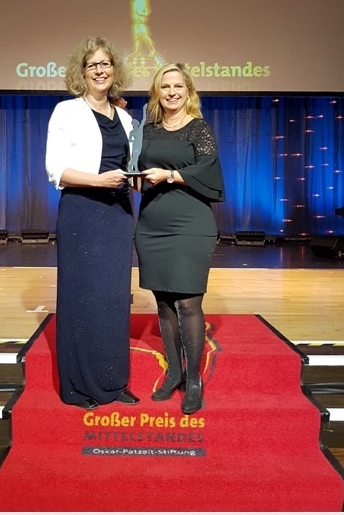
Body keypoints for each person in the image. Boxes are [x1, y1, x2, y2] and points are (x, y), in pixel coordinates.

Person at [45, 36, 140, 410]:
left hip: (118, 214)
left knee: (113, 300)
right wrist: (98, 181)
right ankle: (79, 388)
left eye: (106, 64)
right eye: (92, 65)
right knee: (82, 299)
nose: (100, 70)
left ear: (115, 70)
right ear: (81, 72)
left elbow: (131, 167)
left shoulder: (127, 118)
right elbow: (56, 170)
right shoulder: (67, 111)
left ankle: (112, 382)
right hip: (82, 212)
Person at [135, 63, 225, 415]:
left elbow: (208, 168)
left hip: (190, 223)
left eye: (178, 86)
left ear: (188, 91)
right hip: (152, 222)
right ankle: (174, 372)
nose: (171, 92)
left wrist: (170, 174)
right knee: (163, 302)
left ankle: (194, 379)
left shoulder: (199, 128)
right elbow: (137, 168)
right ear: (157, 92)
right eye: (165, 86)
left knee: (188, 302)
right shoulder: (149, 129)